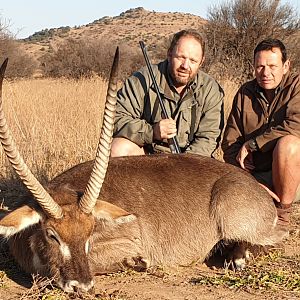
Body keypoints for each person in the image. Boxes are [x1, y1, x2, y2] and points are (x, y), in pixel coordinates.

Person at [222, 38, 300, 229]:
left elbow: (296, 125)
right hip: (256, 178)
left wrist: (252, 144)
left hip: (294, 176)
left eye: (272, 66)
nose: (265, 73)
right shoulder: (245, 92)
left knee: (288, 145)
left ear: (286, 66)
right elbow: (230, 142)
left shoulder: (297, 85)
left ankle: (282, 216)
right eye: (260, 66)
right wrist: (247, 180)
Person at [111, 29, 224, 157]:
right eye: (181, 57)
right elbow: (117, 119)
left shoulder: (211, 89)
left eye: (193, 61)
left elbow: (208, 138)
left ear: (201, 62)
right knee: (117, 148)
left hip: (190, 162)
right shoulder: (142, 79)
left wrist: (184, 166)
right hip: (148, 157)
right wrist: (152, 132)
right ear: (169, 53)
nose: (185, 66)